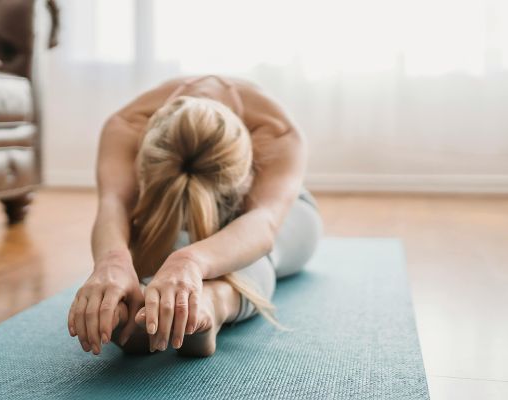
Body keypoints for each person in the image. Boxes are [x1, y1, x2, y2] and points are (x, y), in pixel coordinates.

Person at [67, 75, 322, 357]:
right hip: (166, 215)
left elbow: (263, 223)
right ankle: (146, 308)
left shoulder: (276, 132)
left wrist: (189, 261)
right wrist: (111, 263)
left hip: (277, 215)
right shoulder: (126, 126)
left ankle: (213, 303)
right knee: (170, 246)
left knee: (256, 254)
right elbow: (114, 203)